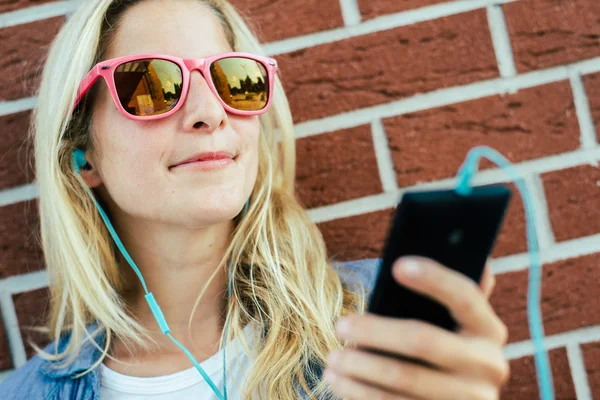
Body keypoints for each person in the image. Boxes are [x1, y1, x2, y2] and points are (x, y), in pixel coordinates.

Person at [0, 0, 509, 399]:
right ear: (83, 157)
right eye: (151, 83)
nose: (210, 112)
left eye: (231, 80)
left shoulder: (381, 319)